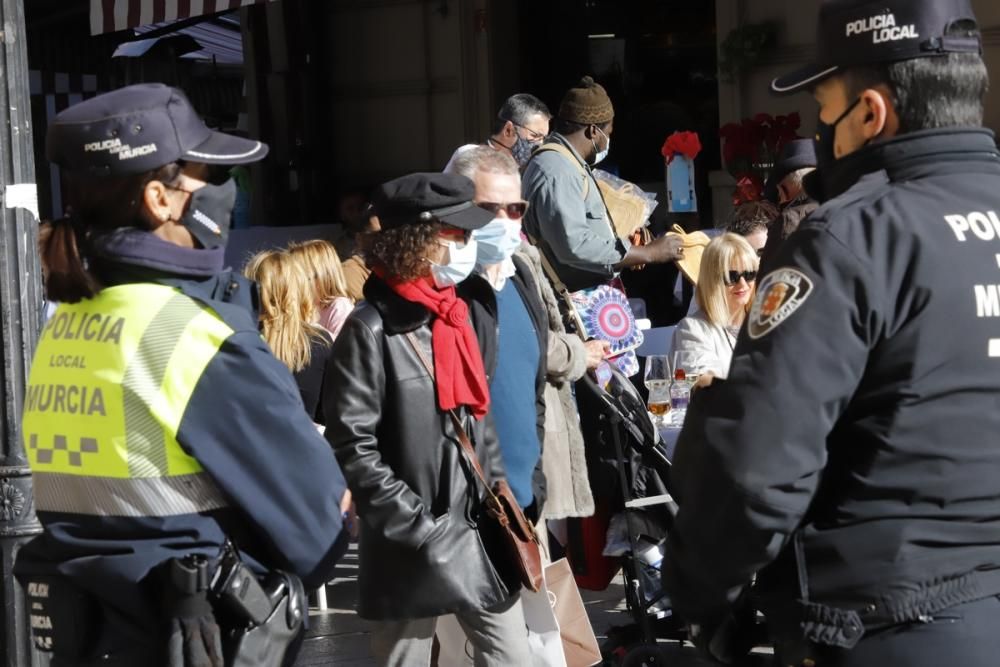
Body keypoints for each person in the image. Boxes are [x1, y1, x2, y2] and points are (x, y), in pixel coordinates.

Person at [662, 1, 1000, 665]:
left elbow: (754, 470)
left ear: (871, 112)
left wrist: (699, 593)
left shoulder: (851, 238)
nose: (822, 130)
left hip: (889, 619)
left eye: (826, 107)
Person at [15, 83, 348, 665]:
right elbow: (319, 527)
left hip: (90, 639)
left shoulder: (67, 325)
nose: (225, 192)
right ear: (158, 199)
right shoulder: (197, 337)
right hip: (197, 638)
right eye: (208, 176)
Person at [322, 173, 530, 666]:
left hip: (477, 528)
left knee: (516, 658)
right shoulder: (368, 328)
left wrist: (502, 495)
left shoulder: (454, 314)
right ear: (418, 240)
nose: (467, 242)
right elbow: (353, 444)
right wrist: (417, 527)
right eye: (456, 232)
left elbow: (478, 419)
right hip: (412, 543)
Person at [522, 76, 684, 294]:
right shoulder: (557, 170)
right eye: (607, 134)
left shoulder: (568, 164)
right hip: (570, 300)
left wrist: (626, 239)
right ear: (592, 131)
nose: (608, 140)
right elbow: (574, 244)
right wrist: (648, 253)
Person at [244, 249, 332, 424]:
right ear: (300, 288)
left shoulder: (239, 339)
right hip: (304, 446)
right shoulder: (319, 342)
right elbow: (330, 413)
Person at [670, 233, 758, 382]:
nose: (743, 284)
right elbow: (705, 385)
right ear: (712, 281)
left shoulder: (765, 323)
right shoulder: (693, 329)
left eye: (749, 274)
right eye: (732, 277)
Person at [444, 93, 552, 171]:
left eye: (543, 138)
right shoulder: (469, 156)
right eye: (535, 135)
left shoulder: (530, 170)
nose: (540, 144)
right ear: (508, 130)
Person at [761, 138, 819, 262]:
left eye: (778, 196)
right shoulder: (846, 210)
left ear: (782, 190)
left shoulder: (789, 221)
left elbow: (767, 278)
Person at [287, 239, 355, 339]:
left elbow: (341, 348)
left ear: (320, 276)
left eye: (298, 276)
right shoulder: (302, 306)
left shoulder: (339, 307)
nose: (292, 282)